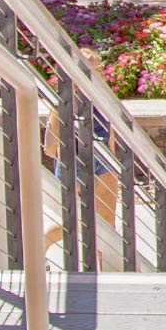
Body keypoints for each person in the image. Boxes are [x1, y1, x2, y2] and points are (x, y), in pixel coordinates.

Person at [43, 48, 121, 252]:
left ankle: (103, 272)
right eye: (86, 71)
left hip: (103, 160)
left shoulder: (104, 98)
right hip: (74, 161)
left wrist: (114, 162)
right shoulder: (64, 101)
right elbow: (50, 145)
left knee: (107, 221)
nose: (94, 75)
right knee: (73, 221)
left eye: (97, 70)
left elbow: (110, 132)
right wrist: (66, 164)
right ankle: (40, 246)